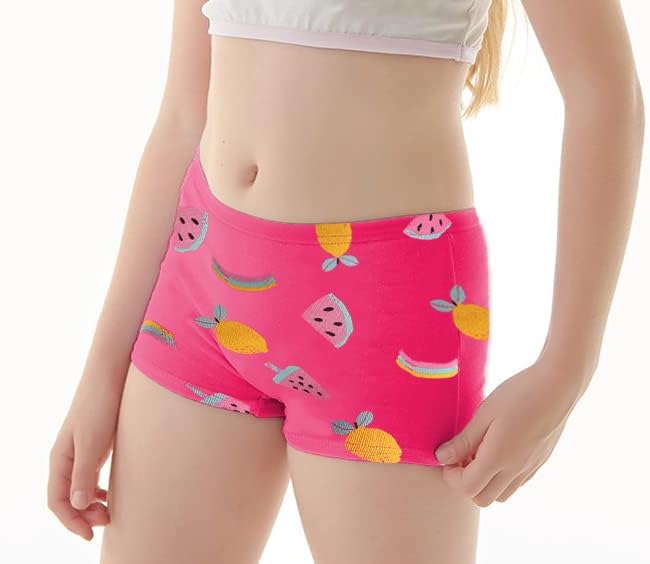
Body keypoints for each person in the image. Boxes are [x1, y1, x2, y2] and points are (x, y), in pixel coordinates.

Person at [47, 0, 644, 562]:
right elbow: (183, 116)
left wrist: (568, 368)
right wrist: (101, 373)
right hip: (198, 287)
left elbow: (603, 92)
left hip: (389, 309)